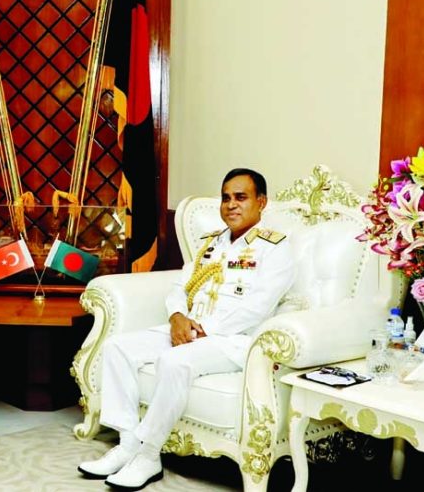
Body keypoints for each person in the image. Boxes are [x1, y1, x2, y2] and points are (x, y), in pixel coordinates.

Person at [78, 168, 296, 490]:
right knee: (117, 347)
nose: (231, 205)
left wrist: (201, 330)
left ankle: (149, 454)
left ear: (261, 202)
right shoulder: (212, 244)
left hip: (234, 341)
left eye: (241, 197)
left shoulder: (275, 249)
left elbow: (257, 308)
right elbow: (180, 286)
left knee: (174, 361)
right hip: (189, 330)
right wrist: (177, 317)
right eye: (225, 198)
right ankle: (127, 444)